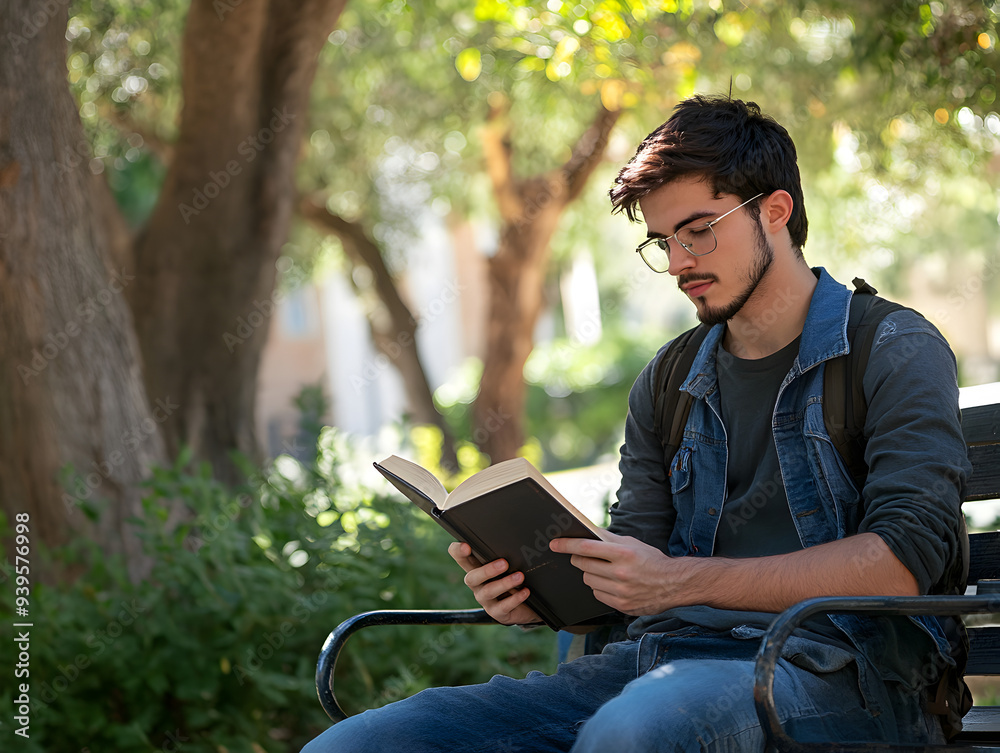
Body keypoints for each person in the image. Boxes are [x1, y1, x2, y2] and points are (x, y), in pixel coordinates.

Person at [301, 95, 971, 752]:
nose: (679, 262)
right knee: (363, 741)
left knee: (636, 727)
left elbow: (900, 563)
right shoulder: (669, 379)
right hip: (652, 664)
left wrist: (683, 581)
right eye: (664, 241)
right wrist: (538, 590)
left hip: (843, 680)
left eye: (699, 229)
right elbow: (634, 565)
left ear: (775, 210)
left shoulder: (893, 348)